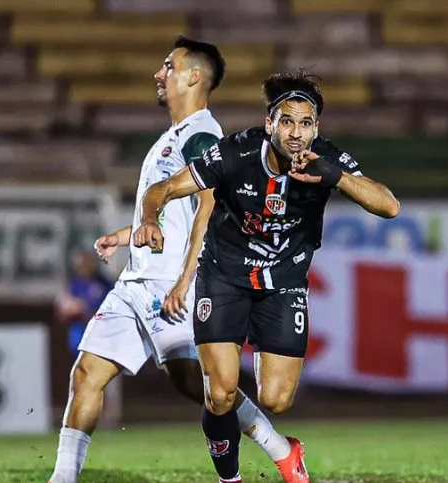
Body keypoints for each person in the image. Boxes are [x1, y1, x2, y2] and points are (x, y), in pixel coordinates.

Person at [48, 37, 302, 483]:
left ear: (193, 77)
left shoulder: (202, 134)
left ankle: (281, 449)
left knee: (203, 387)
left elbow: (210, 209)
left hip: (172, 287)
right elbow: (172, 216)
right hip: (135, 283)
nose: (159, 73)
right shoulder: (173, 137)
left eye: (169, 65)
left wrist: (187, 281)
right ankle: (62, 478)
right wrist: (129, 235)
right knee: (86, 372)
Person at [133, 69, 401, 483]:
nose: (296, 132)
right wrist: (149, 219)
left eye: (306, 123)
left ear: (316, 129)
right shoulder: (234, 154)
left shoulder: (327, 159)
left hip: (284, 283)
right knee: (219, 392)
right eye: (287, 121)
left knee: (275, 400)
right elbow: (162, 189)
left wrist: (334, 176)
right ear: (270, 123)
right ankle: (230, 479)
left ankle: (286, 448)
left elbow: (389, 206)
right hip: (225, 276)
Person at [54, 250, 115, 360]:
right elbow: (62, 310)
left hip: (102, 337)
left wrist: (85, 307)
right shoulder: (74, 284)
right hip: (80, 335)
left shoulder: (104, 283)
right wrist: (70, 309)